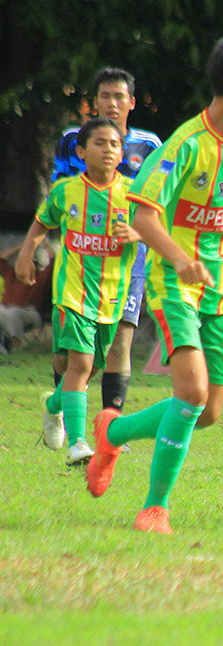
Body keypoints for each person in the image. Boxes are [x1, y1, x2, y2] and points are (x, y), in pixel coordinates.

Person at [85, 28, 223, 535]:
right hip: (173, 282)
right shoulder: (185, 144)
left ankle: (114, 430)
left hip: (221, 288)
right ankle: (154, 508)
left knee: (206, 411)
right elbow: (141, 217)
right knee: (191, 392)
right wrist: (180, 259)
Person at [14, 118, 138, 465]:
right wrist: (25, 254)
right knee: (80, 364)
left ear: (122, 151)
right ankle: (79, 443)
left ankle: (53, 405)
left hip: (111, 298)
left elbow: (154, 227)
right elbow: (43, 220)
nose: (108, 149)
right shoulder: (66, 191)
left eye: (114, 144)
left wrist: (137, 235)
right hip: (72, 293)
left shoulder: (133, 192)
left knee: (90, 369)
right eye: (100, 143)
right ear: (82, 152)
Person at [50, 68, 162, 418]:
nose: (112, 104)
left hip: (129, 258)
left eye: (119, 97)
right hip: (81, 258)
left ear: (132, 102)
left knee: (120, 342)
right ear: (94, 101)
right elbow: (58, 195)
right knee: (70, 354)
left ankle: (108, 429)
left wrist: (140, 233)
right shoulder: (72, 139)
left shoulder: (150, 146)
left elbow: (160, 204)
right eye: (105, 97)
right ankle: (64, 414)